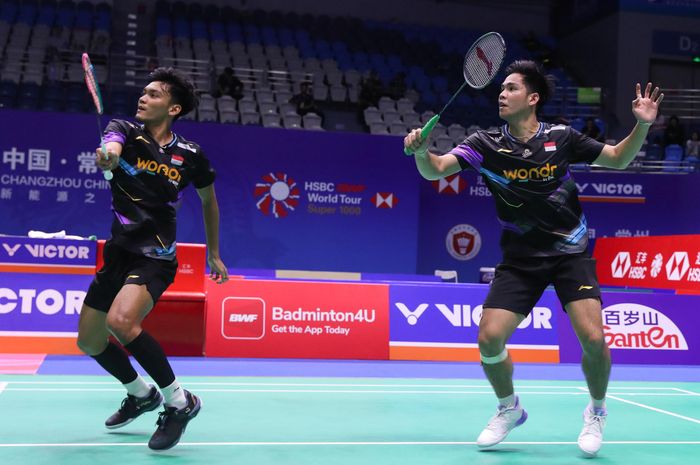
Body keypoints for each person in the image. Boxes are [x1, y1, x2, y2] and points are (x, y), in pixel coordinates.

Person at [404, 60, 663, 457]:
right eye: (501, 89)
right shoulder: (485, 143)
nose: (501, 95)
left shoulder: (562, 137)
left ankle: (596, 411)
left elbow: (617, 159)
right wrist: (422, 151)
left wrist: (642, 124)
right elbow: (435, 170)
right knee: (489, 340)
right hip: (520, 259)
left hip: (569, 254)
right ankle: (509, 408)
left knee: (593, 338)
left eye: (510, 88)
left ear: (533, 97)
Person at [76, 67, 229, 451]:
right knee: (90, 342)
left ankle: (181, 402)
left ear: (173, 107)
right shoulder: (125, 131)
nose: (143, 98)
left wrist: (213, 252)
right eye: (143, 92)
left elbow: (209, 201)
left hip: (155, 256)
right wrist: (109, 158)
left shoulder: (191, 156)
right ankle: (142, 394)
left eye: (154, 94)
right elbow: (110, 147)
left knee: (121, 322)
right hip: (118, 253)